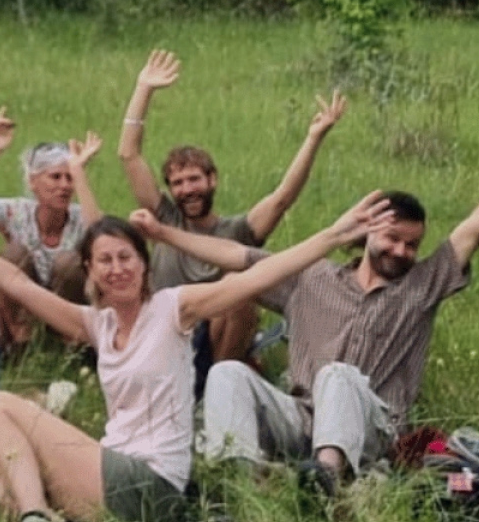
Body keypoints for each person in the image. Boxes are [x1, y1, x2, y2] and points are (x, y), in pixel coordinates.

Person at [0, 172, 394, 522]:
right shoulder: (96, 324)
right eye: (105, 261)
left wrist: (333, 236)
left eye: (126, 257)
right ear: (90, 271)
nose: (117, 269)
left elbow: (252, 278)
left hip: (150, 484)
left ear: (144, 263)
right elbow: (15, 282)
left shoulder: (172, 309)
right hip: (110, 471)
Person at [177, 129, 479, 499]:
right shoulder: (312, 278)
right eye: (393, 238)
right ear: (366, 233)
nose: (402, 251)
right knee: (227, 373)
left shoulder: (421, 286)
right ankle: (236, 481)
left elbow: (477, 228)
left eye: (412, 244)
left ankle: (326, 480)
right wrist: (163, 234)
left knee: (338, 374)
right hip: (303, 417)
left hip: (374, 428)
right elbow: (237, 256)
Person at [117, 47, 348, 366]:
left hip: (216, 341)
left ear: (212, 180)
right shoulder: (164, 220)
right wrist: (143, 89)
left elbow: (282, 198)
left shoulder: (237, 231)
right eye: (178, 183)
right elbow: (129, 155)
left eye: (194, 179)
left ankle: (217, 383)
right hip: (168, 334)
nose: (187, 189)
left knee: (239, 292)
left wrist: (314, 138)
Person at [0, 107, 103, 350]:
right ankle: (19, 343)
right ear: (33, 182)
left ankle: (69, 345)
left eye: (70, 179)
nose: (65, 186)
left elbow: (102, 237)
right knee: (14, 253)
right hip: (22, 315)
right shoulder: (16, 212)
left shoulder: (81, 215)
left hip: (69, 317)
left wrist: (80, 173)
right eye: (55, 177)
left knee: (68, 263)